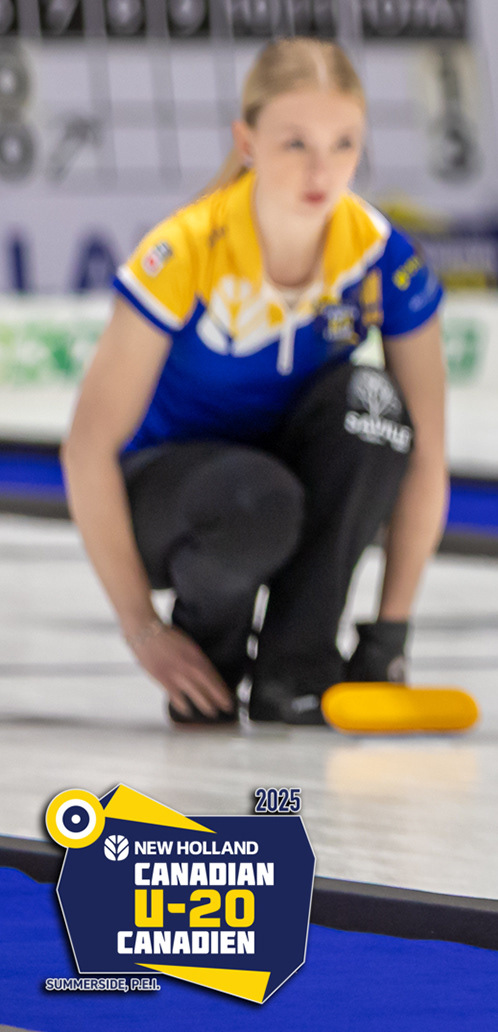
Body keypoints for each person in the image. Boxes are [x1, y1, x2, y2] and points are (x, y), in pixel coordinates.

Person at [61, 39, 448, 726]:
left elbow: (427, 456)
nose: (321, 170)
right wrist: (141, 628)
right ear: (247, 142)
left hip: (282, 475)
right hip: (174, 496)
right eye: (295, 143)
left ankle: (295, 673)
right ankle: (207, 661)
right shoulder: (184, 252)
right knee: (256, 499)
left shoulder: (380, 257)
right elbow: (86, 449)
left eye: (343, 144)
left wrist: (390, 635)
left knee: (377, 411)